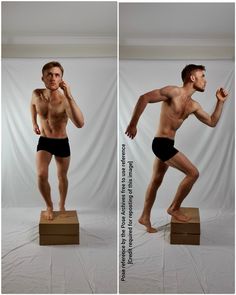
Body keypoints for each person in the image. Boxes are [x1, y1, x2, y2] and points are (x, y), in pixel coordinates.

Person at [125, 64, 228, 233]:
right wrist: (133, 124)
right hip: (160, 144)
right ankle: (174, 208)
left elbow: (212, 122)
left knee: (157, 180)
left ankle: (144, 216)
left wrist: (219, 102)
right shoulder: (173, 91)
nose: (205, 80)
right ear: (192, 78)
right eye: (202, 76)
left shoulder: (193, 105)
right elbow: (144, 98)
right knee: (193, 173)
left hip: (168, 144)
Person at [30, 61, 84, 220]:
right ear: (43, 78)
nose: (53, 78)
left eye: (57, 75)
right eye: (49, 74)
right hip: (45, 141)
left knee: (62, 176)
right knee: (41, 174)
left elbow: (80, 123)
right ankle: (49, 206)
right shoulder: (36, 94)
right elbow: (32, 106)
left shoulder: (65, 100)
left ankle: (61, 205)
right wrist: (34, 123)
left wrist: (69, 96)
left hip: (61, 142)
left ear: (61, 79)